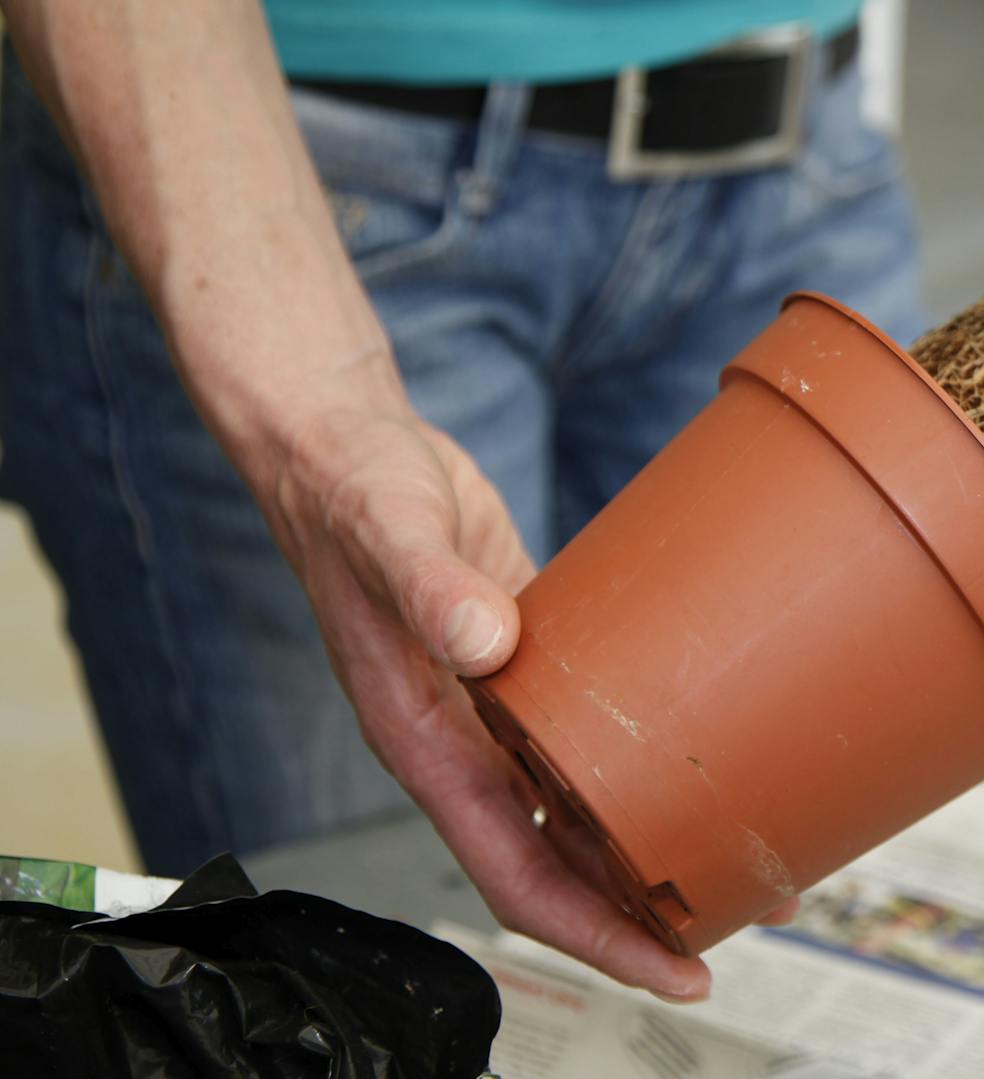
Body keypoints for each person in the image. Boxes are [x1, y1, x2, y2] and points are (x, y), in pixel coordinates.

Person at [0, 0, 920, 1003]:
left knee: (755, 926)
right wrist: (324, 410)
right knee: (354, 979)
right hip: (296, 167)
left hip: (800, 149)